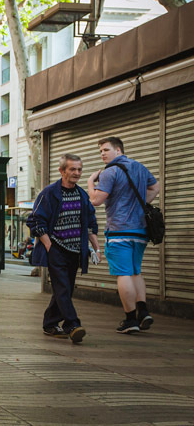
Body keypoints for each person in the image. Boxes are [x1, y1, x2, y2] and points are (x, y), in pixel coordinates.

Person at [87, 136, 160, 334]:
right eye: (100, 151)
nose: (102, 153)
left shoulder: (110, 172)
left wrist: (90, 182)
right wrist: (140, 204)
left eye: (105, 149)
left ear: (118, 150)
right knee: (135, 271)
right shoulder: (140, 167)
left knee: (123, 273)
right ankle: (143, 311)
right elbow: (155, 187)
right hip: (140, 231)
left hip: (119, 231)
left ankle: (130, 320)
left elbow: (96, 200)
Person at [27, 153, 100, 344]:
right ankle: (72, 324)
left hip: (75, 251)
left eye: (79, 169)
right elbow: (35, 220)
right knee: (62, 287)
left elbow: (91, 224)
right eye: (72, 169)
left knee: (65, 289)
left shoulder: (82, 195)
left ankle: (50, 323)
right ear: (62, 171)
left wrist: (96, 249)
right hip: (56, 248)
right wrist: (49, 245)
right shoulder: (50, 193)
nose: (77, 173)